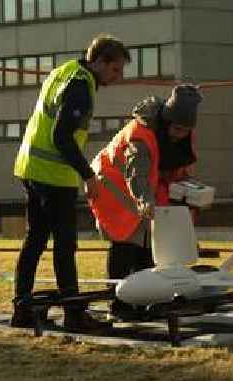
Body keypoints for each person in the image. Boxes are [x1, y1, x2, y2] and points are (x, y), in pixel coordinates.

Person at [11, 35, 130, 331]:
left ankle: (22, 308)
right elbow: (61, 137)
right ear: (100, 62)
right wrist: (88, 175)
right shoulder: (80, 87)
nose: (118, 77)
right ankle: (74, 314)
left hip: (31, 167)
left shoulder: (64, 71)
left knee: (36, 239)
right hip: (54, 175)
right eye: (115, 70)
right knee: (65, 244)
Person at [88, 84, 203, 320]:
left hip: (142, 190)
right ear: (167, 121)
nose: (180, 134)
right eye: (177, 129)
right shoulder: (140, 136)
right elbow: (136, 174)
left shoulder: (178, 137)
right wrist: (144, 201)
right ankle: (118, 302)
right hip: (113, 187)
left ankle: (143, 301)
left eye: (185, 130)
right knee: (125, 244)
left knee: (148, 247)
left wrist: (191, 191)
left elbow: (175, 170)